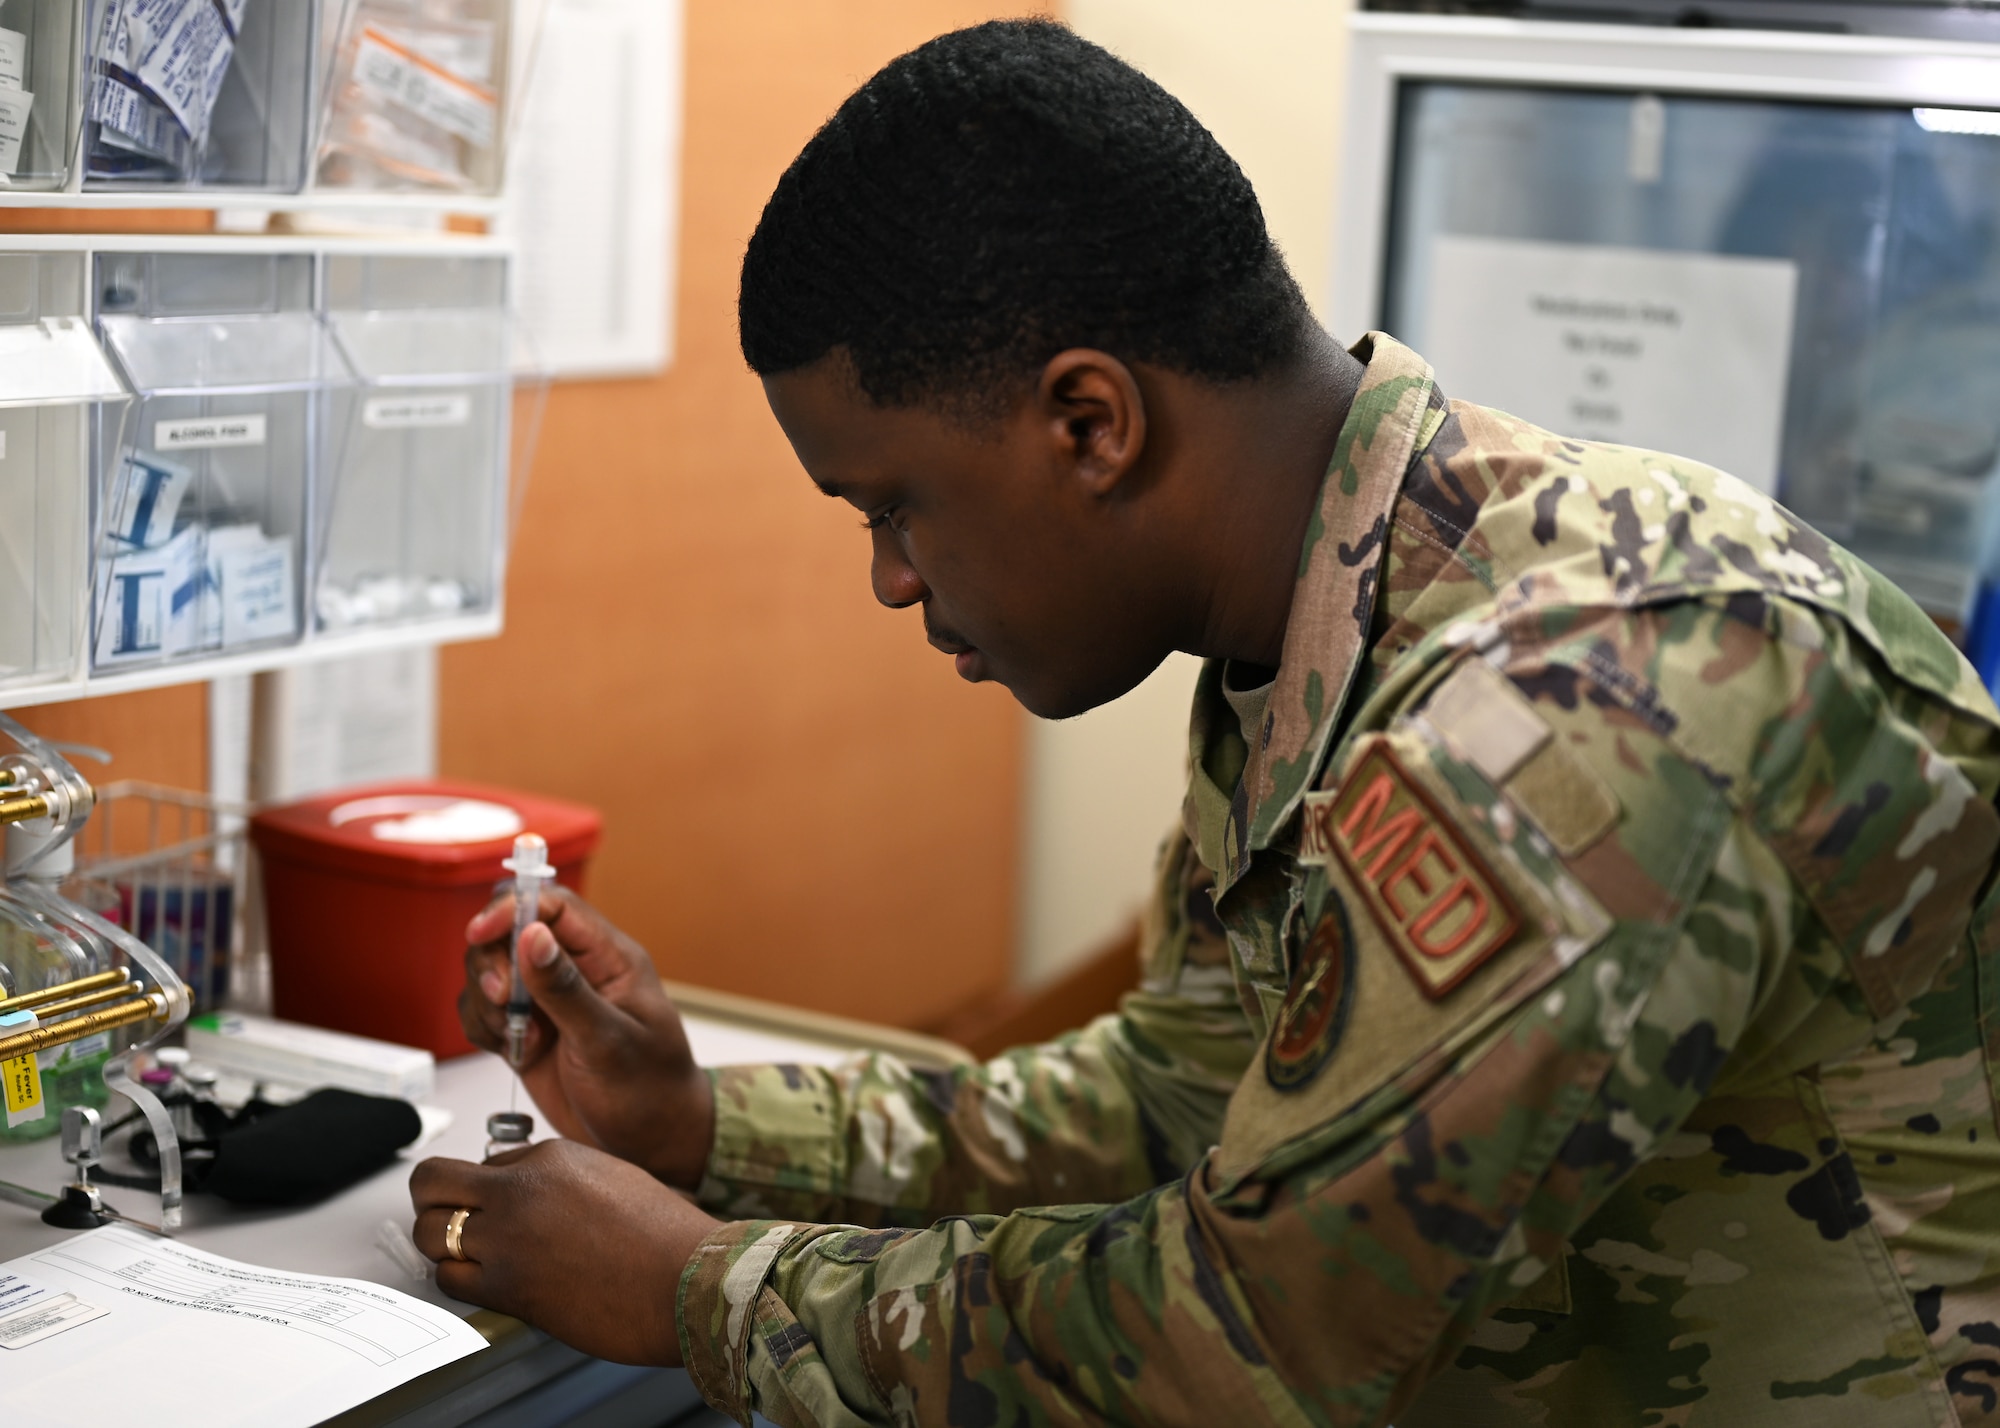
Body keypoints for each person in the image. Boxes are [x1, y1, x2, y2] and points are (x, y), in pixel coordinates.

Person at [410, 19, 2000, 1426]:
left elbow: (1256, 1342)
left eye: (895, 505)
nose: (892, 581)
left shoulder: (1577, 700)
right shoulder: (1305, 634)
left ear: (1090, 423)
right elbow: (1178, 1110)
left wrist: (711, 1292)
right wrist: (703, 1126)